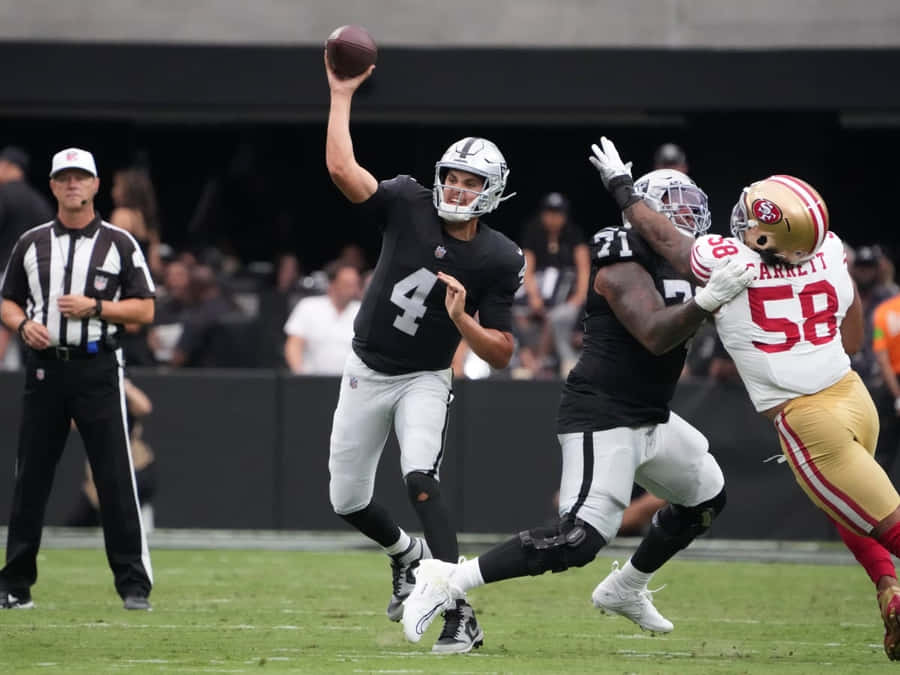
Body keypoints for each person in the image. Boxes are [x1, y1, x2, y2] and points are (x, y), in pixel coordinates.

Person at [401, 171, 753, 644]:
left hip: (651, 415)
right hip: (603, 416)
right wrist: (711, 298)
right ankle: (446, 581)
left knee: (706, 496)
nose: (684, 218)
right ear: (642, 214)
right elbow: (654, 333)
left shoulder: (685, 263)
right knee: (577, 540)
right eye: (672, 207)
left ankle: (626, 587)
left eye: (690, 207)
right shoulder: (619, 259)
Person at [588, 135, 900, 661]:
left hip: (808, 418)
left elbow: (668, 241)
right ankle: (887, 589)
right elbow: (850, 339)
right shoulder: (829, 250)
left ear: (767, 234)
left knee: (887, 522)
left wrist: (622, 189)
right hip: (853, 396)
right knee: (855, 510)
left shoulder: (728, 260)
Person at [325, 54, 524, 653]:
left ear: (491, 193)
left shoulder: (499, 257)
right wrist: (340, 94)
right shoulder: (409, 202)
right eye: (453, 176)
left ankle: (459, 613)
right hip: (366, 366)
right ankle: (405, 555)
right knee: (347, 499)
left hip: (425, 377)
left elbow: (506, 351)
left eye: (471, 181)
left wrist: (463, 321)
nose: (458, 188)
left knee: (419, 477)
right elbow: (343, 169)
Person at [0, 147, 155, 610]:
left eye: (80, 177)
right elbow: (7, 299)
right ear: (52, 186)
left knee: (113, 477)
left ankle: (132, 585)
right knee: (31, 477)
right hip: (46, 367)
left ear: (94, 185)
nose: (72, 185)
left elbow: (145, 308)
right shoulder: (31, 242)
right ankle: (15, 584)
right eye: (64, 178)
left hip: (97, 366)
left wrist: (98, 308)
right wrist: (21, 324)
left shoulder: (119, 242)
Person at [66, 378, 157, 531]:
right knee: (83, 518)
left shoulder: (123, 399)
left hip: (133, 462)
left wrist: (124, 385)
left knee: (122, 508)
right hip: (103, 462)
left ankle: (138, 524)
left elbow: (145, 407)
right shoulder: (93, 402)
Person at [518, 192, 590, 377]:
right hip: (538, 297)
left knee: (556, 317)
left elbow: (584, 273)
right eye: (549, 213)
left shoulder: (575, 235)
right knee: (517, 315)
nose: (553, 218)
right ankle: (523, 362)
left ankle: (543, 363)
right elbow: (527, 268)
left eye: (557, 213)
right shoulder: (532, 232)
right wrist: (534, 299)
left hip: (568, 301)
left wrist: (577, 300)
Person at [0, 146, 54, 366]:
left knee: (4, 328)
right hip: (35, 280)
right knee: (19, 332)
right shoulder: (41, 202)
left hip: (4, 274)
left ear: (8, 166)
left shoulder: (3, 194)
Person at [283, 260, 361, 375]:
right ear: (332, 284)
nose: (352, 289)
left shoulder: (363, 311)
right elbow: (294, 345)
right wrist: (299, 375)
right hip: (313, 382)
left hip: (351, 384)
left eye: (355, 284)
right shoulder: (308, 306)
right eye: (347, 284)